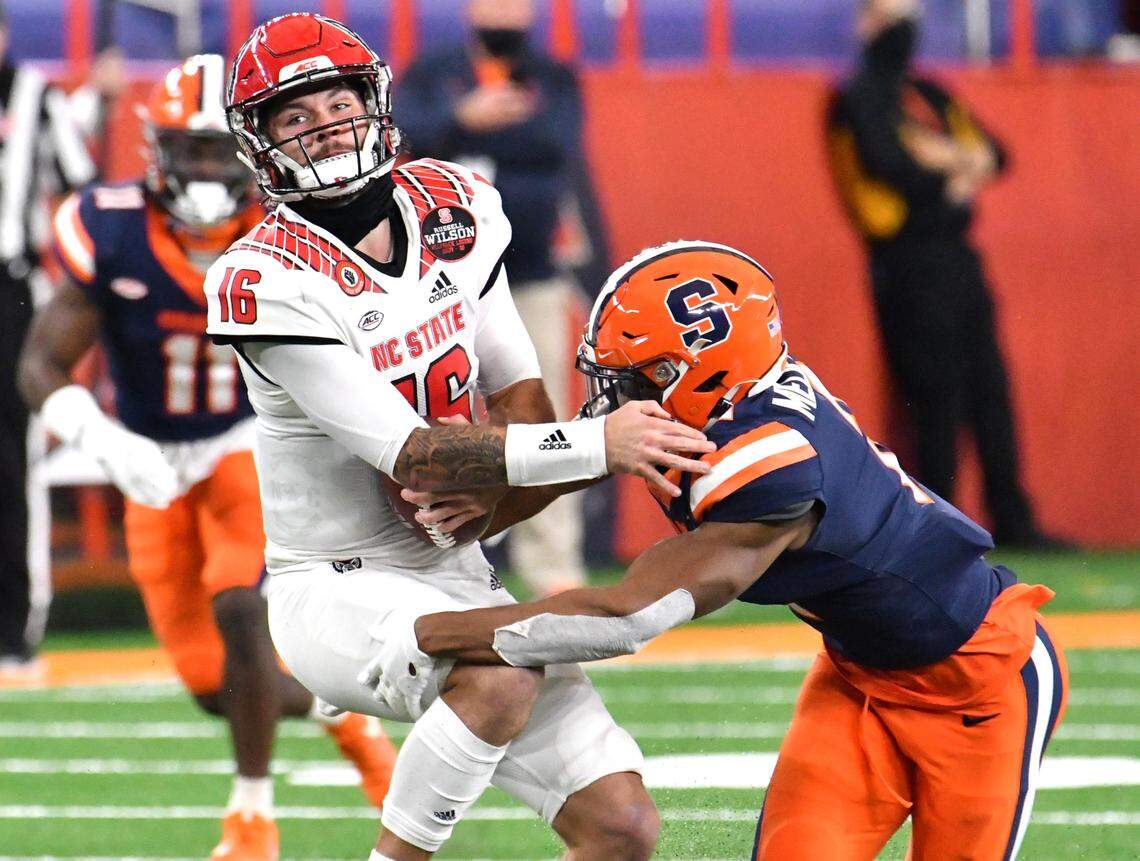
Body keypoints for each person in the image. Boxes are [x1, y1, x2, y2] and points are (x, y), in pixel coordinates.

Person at [367, 241, 1070, 860]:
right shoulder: (727, 400)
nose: (617, 396)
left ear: (693, 373)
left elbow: (625, 615)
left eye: (639, 376)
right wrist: (486, 504)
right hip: (859, 679)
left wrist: (425, 634)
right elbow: (581, 459)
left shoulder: (775, 464)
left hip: (984, 679)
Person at [208, 13, 713, 861]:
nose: (324, 127)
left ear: (375, 103)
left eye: (337, 103)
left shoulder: (455, 206)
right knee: (505, 666)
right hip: (335, 584)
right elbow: (415, 454)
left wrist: (496, 496)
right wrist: (603, 445)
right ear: (261, 142)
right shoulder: (262, 276)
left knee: (622, 829)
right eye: (295, 117)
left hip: (454, 570)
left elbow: (517, 392)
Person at [18, 55, 399, 861]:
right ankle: (343, 717)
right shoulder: (109, 227)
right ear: (155, 152)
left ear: (252, 153)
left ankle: (251, 815)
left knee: (239, 603)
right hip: (149, 455)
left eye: (220, 150)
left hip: (249, 442)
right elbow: (39, 364)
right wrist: (102, 440)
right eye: (189, 151)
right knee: (210, 685)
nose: (205, 170)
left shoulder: (289, 231)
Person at [825, 0, 1063, 548]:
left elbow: (995, 153)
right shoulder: (856, 97)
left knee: (990, 389)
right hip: (906, 263)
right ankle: (937, 528)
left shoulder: (927, 92)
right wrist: (953, 167)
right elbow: (891, 165)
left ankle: (1013, 519)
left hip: (958, 257)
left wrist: (940, 155)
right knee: (934, 398)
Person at [399, 0, 599, 596]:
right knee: (434, 412)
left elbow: (554, 141)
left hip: (530, 272)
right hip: (439, 280)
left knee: (546, 412)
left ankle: (553, 565)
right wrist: (464, 119)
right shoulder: (433, 71)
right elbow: (410, 137)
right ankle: (432, 556)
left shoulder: (551, 74)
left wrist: (466, 128)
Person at [0, 3, 98, 677]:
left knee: (11, 459)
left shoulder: (33, 96)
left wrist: (91, 104)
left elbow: (81, 185)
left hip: (8, 289)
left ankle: (13, 628)